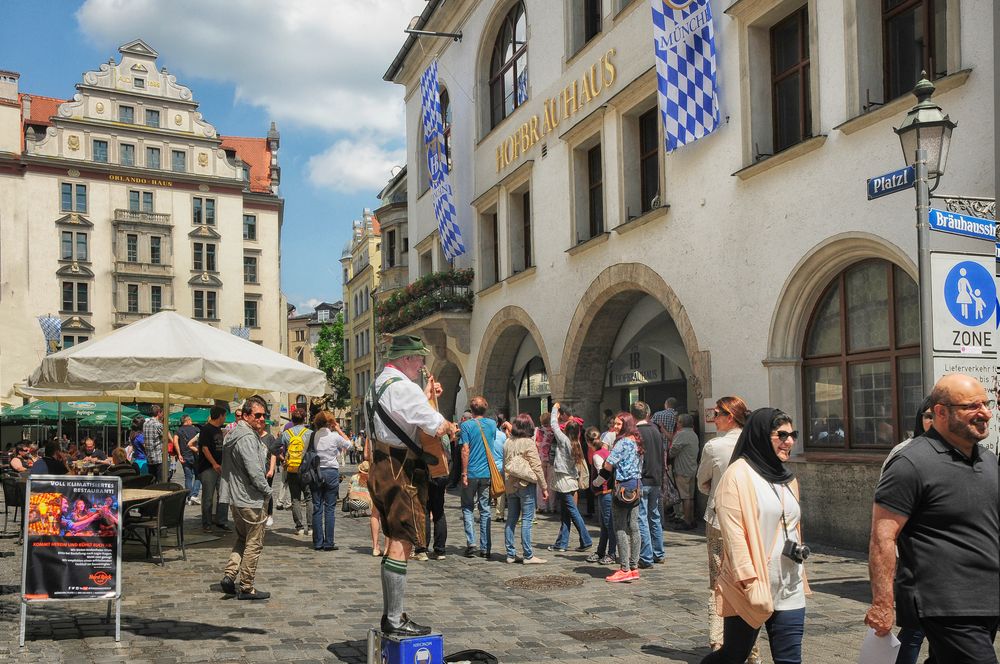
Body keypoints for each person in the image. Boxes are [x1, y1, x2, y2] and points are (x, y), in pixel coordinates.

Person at [866, 373, 998, 663]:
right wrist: (883, 603)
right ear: (941, 412)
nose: (985, 413)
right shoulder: (911, 463)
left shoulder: (987, 460)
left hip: (987, 598)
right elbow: (882, 537)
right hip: (943, 601)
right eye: (972, 406)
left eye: (986, 404)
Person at [365, 334, 457, 637]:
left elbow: (405, 416)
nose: (422, 365)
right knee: (402, 541)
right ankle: (394, 618)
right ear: (406, 359)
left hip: (382, 464)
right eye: (419, 360)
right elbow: (435, 425)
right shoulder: (404, 388)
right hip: (398, 468)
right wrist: (449, 425)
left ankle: (391, 615)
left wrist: (427, 394)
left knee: (393, 539)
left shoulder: (379, 383)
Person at [702, 408, 807, 664]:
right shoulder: (737, 475)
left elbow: (792, 526)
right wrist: (749, 582)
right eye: (781, 435)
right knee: (733, 656)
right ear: (761, 435)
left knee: (790, 659)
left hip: (789, 583)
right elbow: (734, 535)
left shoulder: (788, 479)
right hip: (751, 585)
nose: (789, 441)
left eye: (793, 434)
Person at [696, 396, 759, 662]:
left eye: (717, 413)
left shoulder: (714, 446)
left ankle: (719, 642)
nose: (714, 418)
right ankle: (752, 651)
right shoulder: (758, 443)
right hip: (752, 525)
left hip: (720, 523)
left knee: (718, 581)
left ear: (730, 416)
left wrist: (718, 492)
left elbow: (702, 482)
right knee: (749, 582)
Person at [875, 397, 933, 664]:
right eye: (927, 415)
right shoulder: (905, 452)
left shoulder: (964, 451)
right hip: (914, 555)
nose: (931, 421)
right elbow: (884, 507)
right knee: (914, 629)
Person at [218, 396, 273, 600]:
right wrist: (268, 491)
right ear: (247, 415)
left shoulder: (233, 433)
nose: (262, 419)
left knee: (243, 538)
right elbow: (255, 471)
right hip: (250, 498)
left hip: (236, 498)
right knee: (254, 543)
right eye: (257, 415)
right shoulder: (247, 437)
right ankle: (247, 586)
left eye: (264, 415)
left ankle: (229, 575)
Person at [595, 412, 643, 582]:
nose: (615, 427)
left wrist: (597, 482)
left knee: (620, 527)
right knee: (634, 526)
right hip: (637, 485)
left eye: (618, 424)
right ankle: (634, 566)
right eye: (614, 424)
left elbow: (608, 465)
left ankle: (624, 568)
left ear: (626, 425)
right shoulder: (637, 441)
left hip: (622, 486)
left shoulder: (621, 443)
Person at [548, 401, 593, 553]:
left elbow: (554, 425)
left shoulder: (564, 440)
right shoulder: (576, 443)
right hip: (572, 480)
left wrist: (554, 409)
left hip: (564, 481)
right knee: (566, 513)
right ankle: (562, 543)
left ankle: (586, 539)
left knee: (573, 512)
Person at [502, 413, 548, 564]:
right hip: (525, 484)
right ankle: (528, 555)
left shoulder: (508, 442)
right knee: (527, 519)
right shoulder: (528, 443)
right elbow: (536, 466)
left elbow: (505, 465)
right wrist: (544, 487)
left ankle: (510, 554)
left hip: (510, 485)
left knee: (511, 519)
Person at [458, 396, 498, 558]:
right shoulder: (492, 424)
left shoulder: (466, 426)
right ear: (485, 408)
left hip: (472, 472)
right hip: (486, 472)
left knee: (467, 507)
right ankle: (485, 546)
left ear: (471, 409)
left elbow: (465, 450)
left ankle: (471, 542)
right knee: (485, 509)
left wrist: (464, 473)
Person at [310, 410, 352, 551]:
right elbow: (349, 445)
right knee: (330, 508)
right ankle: (329, 543)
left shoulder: (313, 436)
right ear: (331, 422)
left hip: (316, 472)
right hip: (331, 472)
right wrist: (339, 429)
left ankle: (317, 542)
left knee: (317, 507)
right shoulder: (334, 436)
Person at [633, 401, 665, 568]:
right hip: (656, 478)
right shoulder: (655, 430)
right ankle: (658, 552)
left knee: (642, 518)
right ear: (647, 413)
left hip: (643, 479)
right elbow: (662, 454)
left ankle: (646, 556)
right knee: (655, 516)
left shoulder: (636, 432)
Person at [195, 406, 230, 533]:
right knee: (208, 497)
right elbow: (204, 448)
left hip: (221, 467)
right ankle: (207, 523)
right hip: (208, 468)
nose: (225, 418)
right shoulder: (206, 429)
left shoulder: (220, 430)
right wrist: (214, 464)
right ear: (220, 416)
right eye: (224, 416)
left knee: (223, 495)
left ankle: (222, 521)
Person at [584, 426, 616, 566]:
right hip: (607, 493)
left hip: (605, 493)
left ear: (588, 442)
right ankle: (601, 551)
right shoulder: (606, 452)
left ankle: (611, 553)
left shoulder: (597, 455)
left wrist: (596, 483)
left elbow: (603, 473)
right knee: (604, 524)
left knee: (608, 525)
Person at [279, 409, 313, 536]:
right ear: (304, 419)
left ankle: (299, 527)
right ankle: (310, 528)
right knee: (309, 498)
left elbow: (273, 448)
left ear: (292, 420)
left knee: (295, 498)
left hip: (292, 469)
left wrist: (283, 459)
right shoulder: (310, 433)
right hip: (306, 469)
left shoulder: (286, 433)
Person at [670, 413, 701, 529]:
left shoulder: (681, 434)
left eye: (678, 422)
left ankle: (687, 521)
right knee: (690, 496)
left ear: (681, 423)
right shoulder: (693, 434)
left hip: (682, 469)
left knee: (685, 497)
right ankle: (691, 519)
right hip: (692, 468)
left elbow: (673, 451)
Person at [175, 415, 202, 505]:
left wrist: (179, 454)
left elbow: (175, 442)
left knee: (188, 477)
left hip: (184, 456)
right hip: (195, 456)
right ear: (188, 420)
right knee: (198, 476)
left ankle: (190, 497)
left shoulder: (179, 430)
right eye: (191, 419)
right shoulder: (196, 429)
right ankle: (194, 495)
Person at [143, 405, 165, 480]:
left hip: (149, 457)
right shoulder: (158, 425)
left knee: (152, 481)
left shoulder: (145, 424)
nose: (163, 415)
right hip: (158, 457)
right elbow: (165, 437)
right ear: (158, 413)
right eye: (162, 413)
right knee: (161, 482)